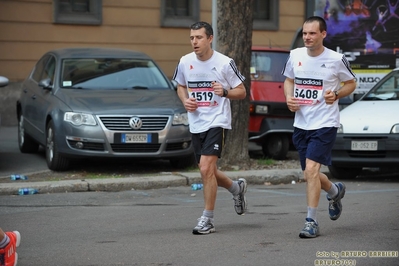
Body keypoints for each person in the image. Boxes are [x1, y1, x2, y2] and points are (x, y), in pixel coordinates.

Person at [281, 16, 356, 238]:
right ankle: (335, 191)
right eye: (305, 33)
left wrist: (336, 94)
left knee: (312, 170)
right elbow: (289, 80)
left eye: (312, 33)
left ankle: (311, 221)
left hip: (325, 123)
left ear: (323, 34)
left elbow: (351, 83)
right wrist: (288, 98)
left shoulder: (336, 59)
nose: (307, 37)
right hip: (302, 123)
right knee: (308, 174)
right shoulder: (295, 55)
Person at [173, 21, 247, 235]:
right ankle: (236, 188)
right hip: (197, 122)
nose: (194, 42)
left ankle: (208, 219)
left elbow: (241, 91)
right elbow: (181, 86)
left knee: (206, 169)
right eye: (191, 38)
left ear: (210, 38)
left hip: (217, 120)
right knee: (210, 171)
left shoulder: (224, 63)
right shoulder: (185, 62)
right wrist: (185, 100)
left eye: (199, 37)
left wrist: (224, 92)